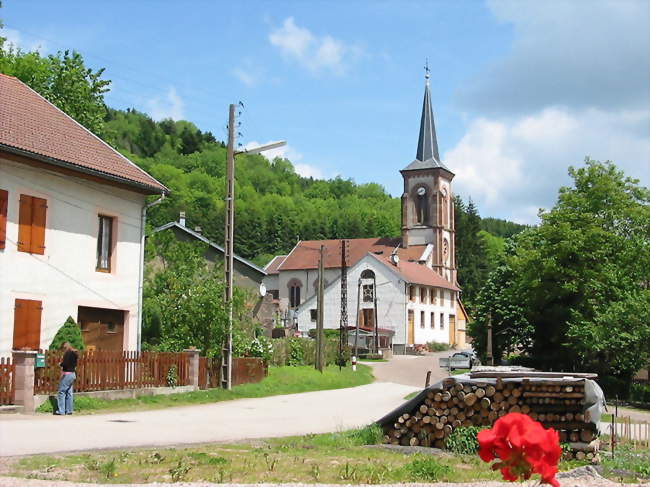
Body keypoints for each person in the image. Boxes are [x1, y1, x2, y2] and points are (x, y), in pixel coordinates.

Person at [56, 342, 78, 415]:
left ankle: (61, 411)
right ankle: (69, 410)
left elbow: (65, 364)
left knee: (61, 392)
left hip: (67, 374)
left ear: (64, 347)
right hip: (73, 374)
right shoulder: (74, 353)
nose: (62, 350)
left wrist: (60, 364)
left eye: (62, 349)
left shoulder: (67, 353)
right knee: (69, 393)